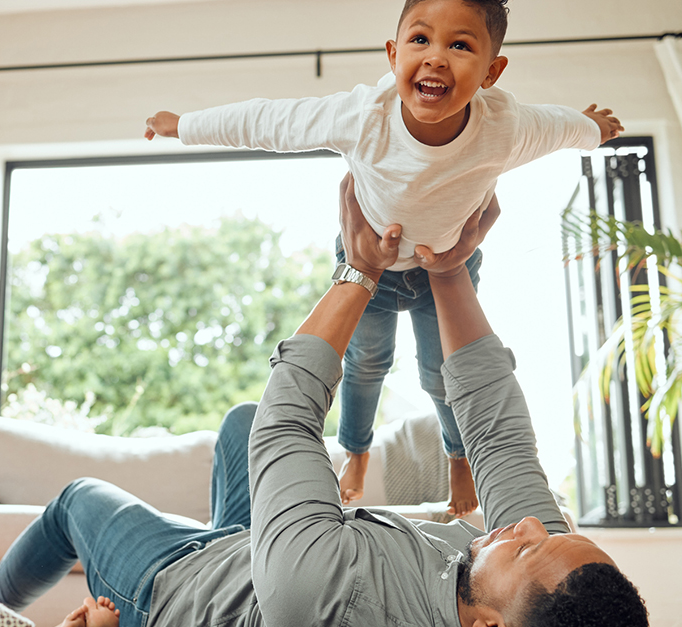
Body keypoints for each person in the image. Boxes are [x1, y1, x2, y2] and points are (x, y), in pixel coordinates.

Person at [0, 174, 649, 626]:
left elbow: (287, 424)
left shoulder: (330, 595)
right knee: (237, 423)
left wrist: (359, 269)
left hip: (172, 585)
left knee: (75, 500)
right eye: (555, 532)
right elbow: (499, 436)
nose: (533, 527)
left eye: (531, 547)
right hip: (252, 551)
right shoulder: (538, 576)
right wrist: (448, 271)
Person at [143, 0, 624, 516]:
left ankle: (457, 455)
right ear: (394, 56)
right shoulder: (362, 116)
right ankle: (356, 450)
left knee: (441, 373)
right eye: (421, 40)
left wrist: (591, 128)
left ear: (491, 71)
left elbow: (559, 127)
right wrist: (186, 125)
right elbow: (269, 120)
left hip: (445, 264)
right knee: (365, 364)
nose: (436, 58)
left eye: (459, 46)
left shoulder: (504, 127)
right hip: (371, 264)